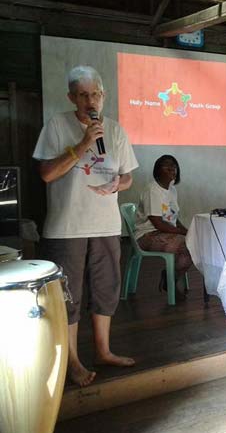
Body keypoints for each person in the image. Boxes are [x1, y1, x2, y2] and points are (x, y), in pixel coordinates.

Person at [33, 65, 138, 387]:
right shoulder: (57, 125)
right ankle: (72, 360)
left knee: (106, 288)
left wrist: (118, 184)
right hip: (67, 226)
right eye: (82, 95)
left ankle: (103, 351)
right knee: (69, 295)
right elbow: (47, 174)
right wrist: (82, 144)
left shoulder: (115, 130)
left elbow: (128, 176)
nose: (90, 101)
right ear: (71, 97)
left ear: (103, 96)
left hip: (106, 225)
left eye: (95, 94)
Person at [135, 155, 192, 293]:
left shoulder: (172, 190)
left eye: (174, 166)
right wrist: (182, 233)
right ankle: (171, 281)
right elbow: (158, 224)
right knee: (186, 246)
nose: (172, 168)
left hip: (165, 232)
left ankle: (170, 277)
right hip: (147, 235)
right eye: (167, 166)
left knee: (194, 244)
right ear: (157, 171)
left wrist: (188, 232)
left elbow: (173, 218)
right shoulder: (152, 190)